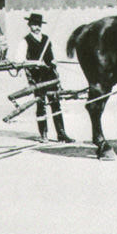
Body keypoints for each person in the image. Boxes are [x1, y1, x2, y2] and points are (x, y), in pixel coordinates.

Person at [24, 13, 74, 143]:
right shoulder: (26, 41)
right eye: (34, 24)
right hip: (37, 78)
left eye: (39, 25)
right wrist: (35, 63)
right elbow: (21, 61)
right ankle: (43, 134)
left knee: (55, 104)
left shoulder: (46, 39)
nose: (37, 27)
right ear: (29, 25)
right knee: (41, 105)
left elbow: (51, 55)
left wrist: (53, 60)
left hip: (50, 76)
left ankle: (61, 134)